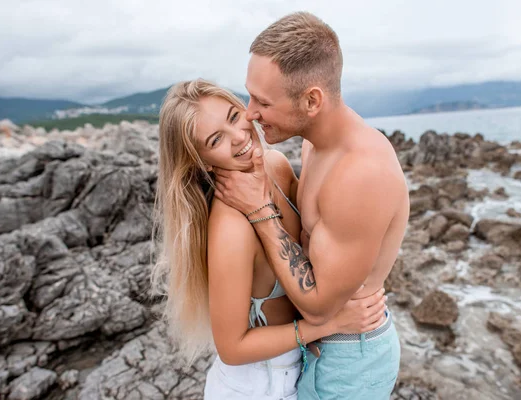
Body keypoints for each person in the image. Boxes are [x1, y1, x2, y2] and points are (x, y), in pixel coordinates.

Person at [212, 12, 410, 400]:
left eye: (262, 102)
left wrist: (258, 212)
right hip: (324, 348)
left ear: (312, 100)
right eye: (248, 96)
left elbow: (320, 308)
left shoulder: (360, 173)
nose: (250, 113)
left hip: (349, 359)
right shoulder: (313, 144)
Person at [151, 79, 389, 400]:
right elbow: (232, 348)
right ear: (202, 160)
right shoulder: (231, 227)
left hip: (297, 371)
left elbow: (314, 241)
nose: (239, 137)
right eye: (216, 139)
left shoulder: (275, 165)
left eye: (234, 117)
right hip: (258, 385)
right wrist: (327, 326)